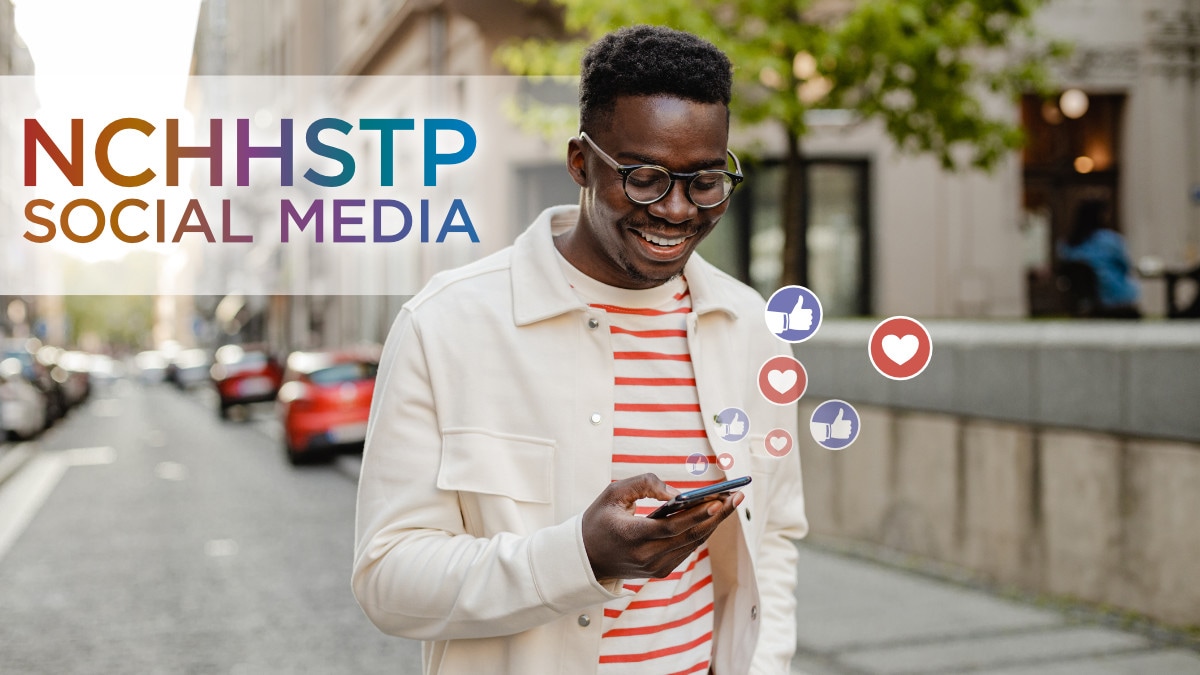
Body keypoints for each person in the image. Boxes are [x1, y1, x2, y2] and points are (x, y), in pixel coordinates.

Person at [352, 25, 807, 674]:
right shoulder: (445, 324)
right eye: (644, 177)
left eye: (704, 181)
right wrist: (580, 557)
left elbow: (778, 532)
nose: (677, 210)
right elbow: (387, 579)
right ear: (579, 163)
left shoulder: (753, 329)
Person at [1057, 200, 1141, 318]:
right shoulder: (1110, 241)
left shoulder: (1067, 245)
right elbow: (1126, 267)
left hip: (1083, 301)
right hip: (1116, 297)